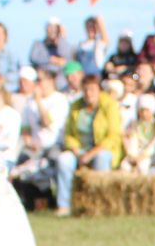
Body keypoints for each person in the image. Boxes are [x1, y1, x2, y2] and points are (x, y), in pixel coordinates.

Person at [52, 71, 123, 215]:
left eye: (92, 90)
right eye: (86, 90)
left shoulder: (109, 106)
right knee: (64, 160)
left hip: (101, 150)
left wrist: (91, 154)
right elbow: (69, 134)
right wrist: (75, 149)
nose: (89, 94)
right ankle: (64, 205)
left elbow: (113, 136)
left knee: (101, 158)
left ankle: (101, 203)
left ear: (99, 90)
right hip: (80, 150)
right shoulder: (75, 107)